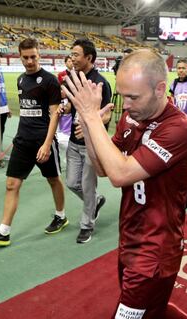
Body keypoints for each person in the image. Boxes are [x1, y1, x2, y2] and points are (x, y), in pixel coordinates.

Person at [63, 49, 187, 318]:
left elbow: (120, 175)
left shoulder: (179, 129)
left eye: (133, 97)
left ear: (160, 89)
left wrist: (92, 118)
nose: (125, 105)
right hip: (130, 238)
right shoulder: (130, 118)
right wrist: (91, 130)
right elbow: (103, 168)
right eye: (123, 95)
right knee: (151, 311)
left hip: (155, 250)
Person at [0, 38, 67, 246]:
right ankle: (3, 232)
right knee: (11, 184)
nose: (29, 61)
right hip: (22, 141)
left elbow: (55, 115)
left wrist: (46, 144)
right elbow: (27, 112)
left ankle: (60, 216)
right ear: (20, 56)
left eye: (33, 57)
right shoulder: (20, 80)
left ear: (39, 55)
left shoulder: (50, 81)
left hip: (43, 141)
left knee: (53, 179)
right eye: (25, 57)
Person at [65, 38, 111, 244]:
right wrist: (65, 108)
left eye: (76, 55)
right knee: (72, 183)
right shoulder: (73, 78)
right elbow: (75, 106)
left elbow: (107, 114)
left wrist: (90, 126)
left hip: (92, 145)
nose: (72, 58)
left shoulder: (100, 83)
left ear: (89, 58)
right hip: (74, 143)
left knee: (87, 186)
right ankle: (96, 202)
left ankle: (86, 225)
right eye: (72, 54)